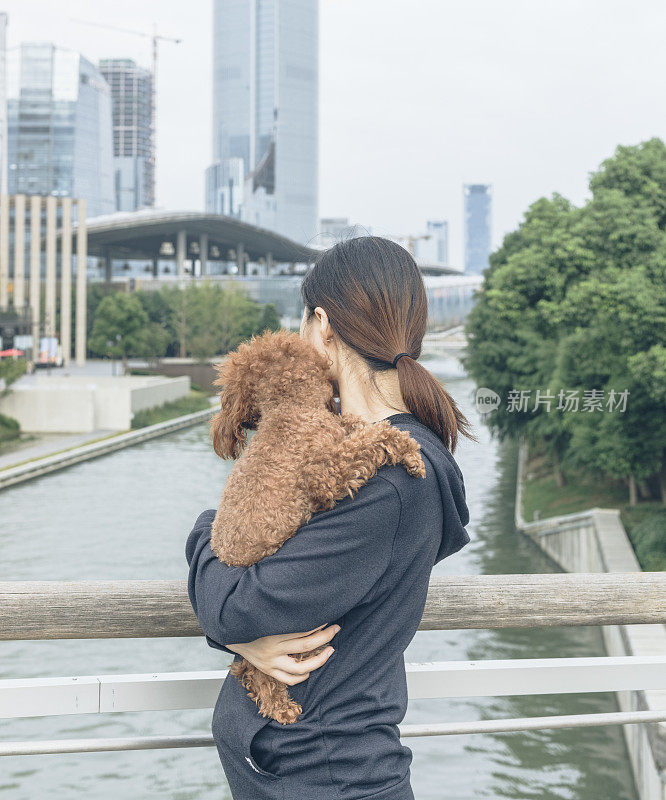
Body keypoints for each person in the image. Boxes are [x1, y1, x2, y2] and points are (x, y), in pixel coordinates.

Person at [186, 236, 477, 800]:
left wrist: (204, 538)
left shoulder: (392, 479)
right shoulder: (364, 454)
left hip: (329, 773)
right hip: (308, 768)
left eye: (300, 323)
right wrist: (241, 640)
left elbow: (238, 605)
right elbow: (253, 596)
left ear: (322, 324)